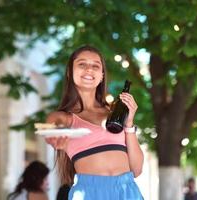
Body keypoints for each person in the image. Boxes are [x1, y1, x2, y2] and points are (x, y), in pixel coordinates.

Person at [45, 45, 144, 200]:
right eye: (82, 64)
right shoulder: (65, 117)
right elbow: (52, 126)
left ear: (102, 75)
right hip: (90, 193)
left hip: (127, 192)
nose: (89, 69)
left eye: (95, 66)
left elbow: (136, 170)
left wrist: (129, 124)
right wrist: (54, 135)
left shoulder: (115, 113)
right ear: (70, 72)